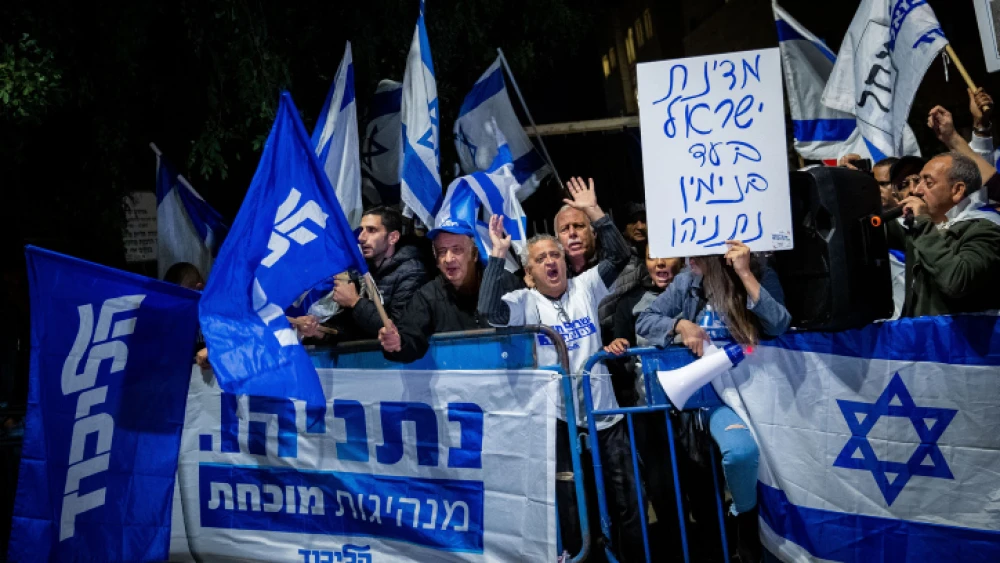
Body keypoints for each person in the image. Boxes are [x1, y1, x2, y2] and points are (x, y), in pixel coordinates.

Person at [478, 177, 643, 562]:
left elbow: (620, 258)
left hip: (605, 415)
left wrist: (594, 213)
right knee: (571, 506)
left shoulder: (585, 287)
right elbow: (489, 313)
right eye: (541, 259)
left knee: (628, 500)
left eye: (555, 255)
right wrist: (497, 256)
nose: (551, 261)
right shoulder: (524, 301)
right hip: (558, 420)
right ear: (530, 273)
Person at [636, 242, 791, 562]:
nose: (689, 258)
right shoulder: (687, 282)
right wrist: (679, 325)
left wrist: (745, 274)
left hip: (762, 393)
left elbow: (779, 323)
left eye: (699, 251)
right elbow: (644, 320)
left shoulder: (762, 273)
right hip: (717, 398)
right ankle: (746, 525)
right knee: (740, 453)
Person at [377, 217, 521, 363]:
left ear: (474, 254)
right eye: (442, 251)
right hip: (457, 381)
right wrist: (397, 343)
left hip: (506, 376)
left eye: (457, 250)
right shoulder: (427, 296)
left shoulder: (505, 283)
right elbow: (410, 340)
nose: (448, 258)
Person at [887, 151, 1000, 317]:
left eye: (928, 182)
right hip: (923, 338)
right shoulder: (925, 227)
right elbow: (872, 228)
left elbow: (956, 282)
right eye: (919, 181)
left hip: (959, 340)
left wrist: (923, 223)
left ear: (957, 190)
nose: (916, 190)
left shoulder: (987, 230)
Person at [298, 207, 429, 342]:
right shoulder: (359, 272)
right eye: (361, 230)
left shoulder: (413, 273)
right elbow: (351, 331)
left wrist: (355, 302)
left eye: (372, 230)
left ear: (393, 237)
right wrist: (318, 330)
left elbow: (399, 332)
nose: (361, 238)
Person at [598, 203, 648, 344]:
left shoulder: (659, 256)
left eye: (644, 221)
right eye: (633, 221)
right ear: (623, 227)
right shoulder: (611, 258)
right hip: (612, 336)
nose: (639, 226)